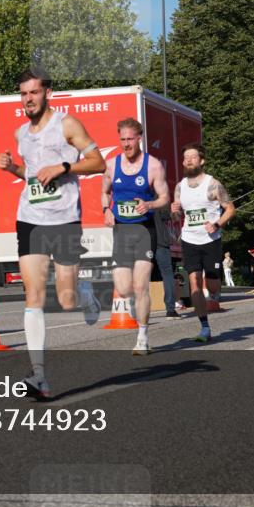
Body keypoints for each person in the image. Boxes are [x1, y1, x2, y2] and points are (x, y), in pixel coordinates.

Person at [0, 67, 105, 400]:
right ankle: (39, 376)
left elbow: (98, 162)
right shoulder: (20, 134)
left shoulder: (67, 125)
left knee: (66, 298)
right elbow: (33, 176)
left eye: (33, 92)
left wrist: (64, 167)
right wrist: (12, 168)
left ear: (48, 93)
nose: (28, 99)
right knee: (33, 296)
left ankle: (85, 293)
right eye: (23, 93)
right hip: (30, 218)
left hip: (64, 219)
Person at [102, 118, 170, 355]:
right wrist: (106, 209)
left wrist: (149, 204)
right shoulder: (112, 165)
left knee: (141, 286)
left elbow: (165, 198)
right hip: (121, 230)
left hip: (144, 230)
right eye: (122, 139)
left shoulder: (153, 166)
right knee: (123, 288)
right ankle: (138, 307)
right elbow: (104, 191)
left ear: (139, 138)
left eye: (130, 139)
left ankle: (142, 337)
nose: (126, 144)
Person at [170, 143, 235, 343]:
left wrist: (217, 224)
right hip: (189, 239)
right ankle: (204, 326)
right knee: (194, 282)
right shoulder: (180, 187)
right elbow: (177, 217)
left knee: (213, 284)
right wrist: (174, 211)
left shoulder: (213, 184)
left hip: (210, 240)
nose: (189, 160)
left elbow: (230, 208)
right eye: (186, 158)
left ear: (202, 160)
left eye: (193, 157)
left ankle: (213, 287)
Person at [152, 206, 182, 319]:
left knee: (141, 275)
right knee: (167, 274)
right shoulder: (159, 200)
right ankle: (170, 309)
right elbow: (170, 217)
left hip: (143, 240)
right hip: (160, 240)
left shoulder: (131, 198)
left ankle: (138, 311)